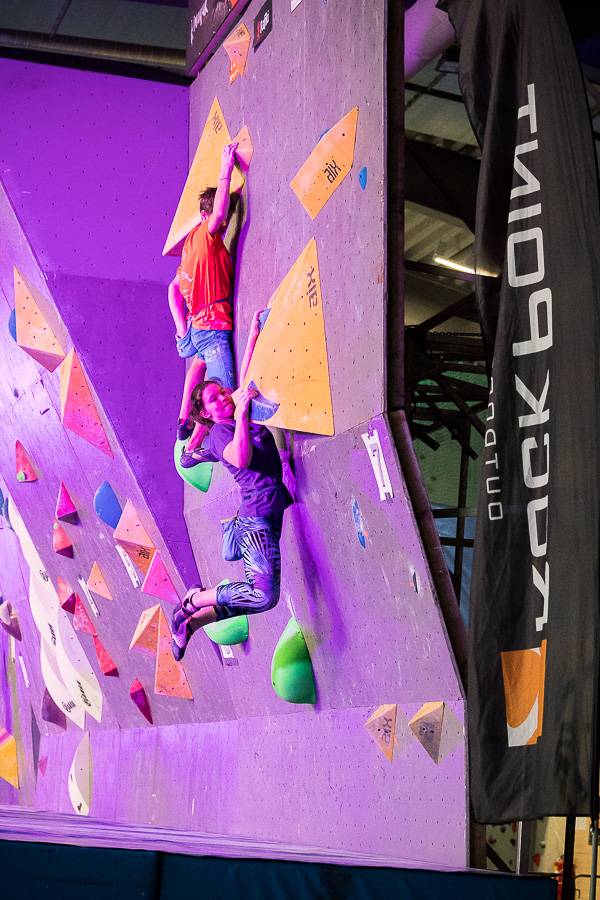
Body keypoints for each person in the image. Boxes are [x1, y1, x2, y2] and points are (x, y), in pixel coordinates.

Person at [171, 309, 293, 660]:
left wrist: (253, 334)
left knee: (260, 596)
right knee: (264, 596)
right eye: (215, 399)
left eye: (222, 392)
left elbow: (247, 374)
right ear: (206, 414)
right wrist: (240, 416)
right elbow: (240, 458)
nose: (224, 397)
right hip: (257, 519)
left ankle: (192, 623)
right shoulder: (218, 434)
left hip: (267, 511)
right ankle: (194, 601)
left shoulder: (234, 408)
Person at [168, 141, 240, 463]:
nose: (222, 224)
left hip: (195, 329)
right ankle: (194, 446)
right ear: (205, 216)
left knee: (197, 363)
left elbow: (172, 290)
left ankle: (184, 417)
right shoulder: (207, 237)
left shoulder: (188, 248)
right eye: (217, 220)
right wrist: (226, 170)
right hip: (210, 329)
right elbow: (220, 212)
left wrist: (181, 330)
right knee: (223, 397)